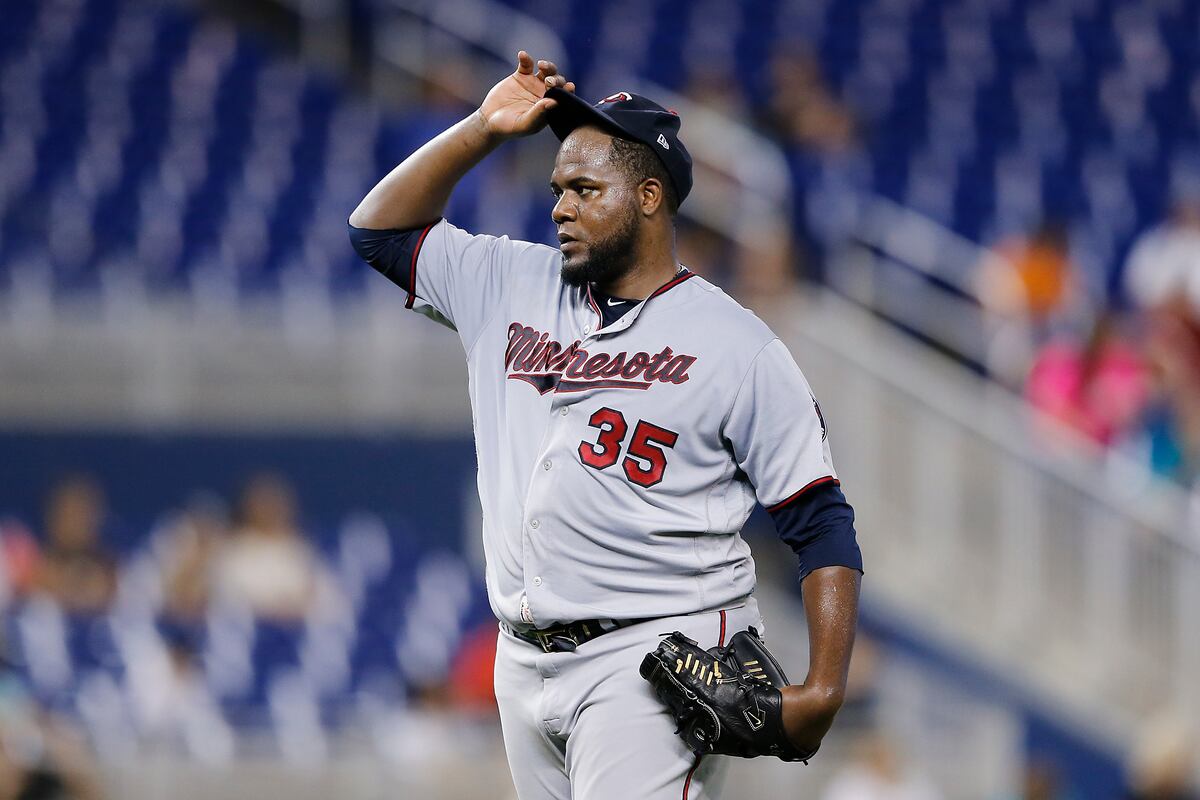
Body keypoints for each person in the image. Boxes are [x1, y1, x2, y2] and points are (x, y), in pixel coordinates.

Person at [348, 51, 863, 799]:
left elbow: (818, 518)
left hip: (655, 658)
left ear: (650, 196)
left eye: (586, 189)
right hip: (521, 660)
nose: (560, 206)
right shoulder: (509, 281)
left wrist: (823, 689)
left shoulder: (737, 345)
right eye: (558, 189)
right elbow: (378, 234)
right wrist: (482, 130)